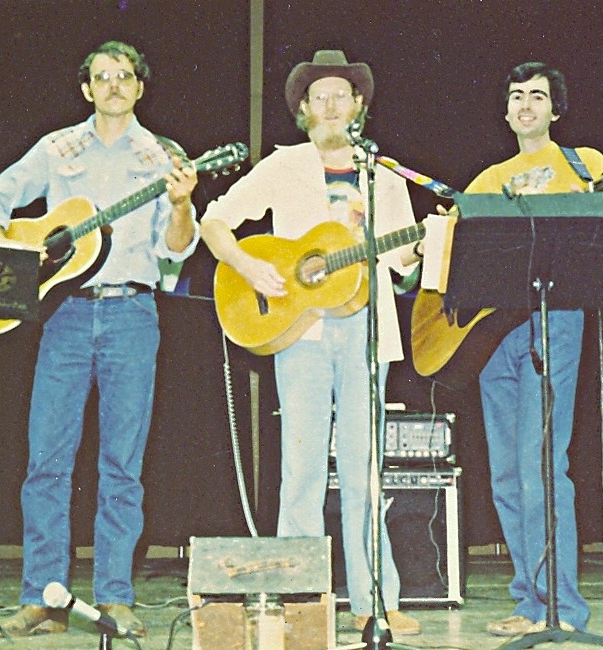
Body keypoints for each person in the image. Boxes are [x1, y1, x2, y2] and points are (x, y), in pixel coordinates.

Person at [0, 40, 200, 638]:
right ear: (86, 88)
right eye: (102, 76)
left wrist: (181, 204)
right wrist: (5, 237)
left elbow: (176, 250)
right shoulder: (57, 148)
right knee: (46, 459)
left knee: (122, 464)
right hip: (65, 315)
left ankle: (114, 596)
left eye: (124, 75)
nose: (114, 85)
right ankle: (41, 598)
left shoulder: (161, 157)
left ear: (140, 87)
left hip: (132, 315)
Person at [200, 50, 422, 636]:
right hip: (300, 333)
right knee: (299, 467)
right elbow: (215, 222)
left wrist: (427, 244)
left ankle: (377, 598)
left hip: (364, 333)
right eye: (319, 97)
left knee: (363, 469)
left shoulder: (385, 175)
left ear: (358, 107)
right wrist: (249, 266)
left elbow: (402, 262)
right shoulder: (283, 167)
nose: (330, 106)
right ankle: (297, 596)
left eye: (341, 95)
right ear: (303, 110)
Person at [460, 62, 603, 636]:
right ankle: (528, 601)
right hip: (492, 336)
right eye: (516, 95)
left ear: (555, 109)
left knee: (541, 467)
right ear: (505, 111)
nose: (526, 105)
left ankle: (561, 608)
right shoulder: (485, 179)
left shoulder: (583, 164)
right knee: (504, 473)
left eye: (538, 96)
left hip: (553, 321)